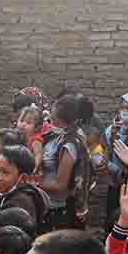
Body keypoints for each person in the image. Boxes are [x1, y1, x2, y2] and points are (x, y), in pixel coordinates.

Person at [38, 94, 88, 230]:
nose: (50, 124)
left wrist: (34, 184)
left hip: (56, 209)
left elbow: (61, 184)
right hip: (44, 204)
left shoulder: (70, 144)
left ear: (64, 121)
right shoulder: (53, 137)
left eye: (54, 121)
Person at [105, 91, 128, 229]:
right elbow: (105, 152)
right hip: (114, 181)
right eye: (122, 108)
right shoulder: (111, 130)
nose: (124, 112)